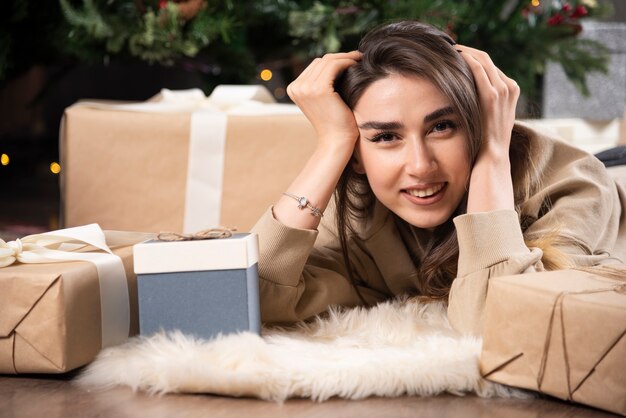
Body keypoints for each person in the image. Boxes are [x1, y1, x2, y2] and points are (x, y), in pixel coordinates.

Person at [250, 21, 626, 336]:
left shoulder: (574, 188)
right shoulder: (361, 213)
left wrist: (492, 152)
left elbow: (498, 324)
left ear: (477, 123)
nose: (420, 166)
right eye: (385, 137)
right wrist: (333, 144)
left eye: (443, 126)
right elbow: (252, 297)